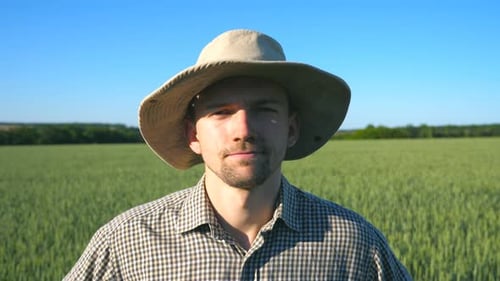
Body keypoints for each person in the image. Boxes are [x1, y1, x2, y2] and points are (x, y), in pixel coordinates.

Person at [64, 29, 412, 280]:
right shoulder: (128, 241)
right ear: (192, 134)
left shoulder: (354, 243)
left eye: (264, 109)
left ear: (291, 130)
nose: (243, 129)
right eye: (221, 112)